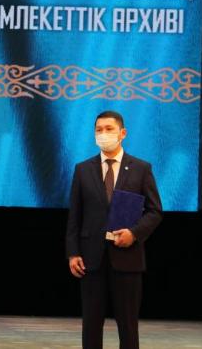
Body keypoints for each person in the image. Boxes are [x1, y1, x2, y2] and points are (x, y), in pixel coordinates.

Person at [66, 111, 164, 349]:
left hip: (127, 258)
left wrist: (134, 233)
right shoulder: (83, 169)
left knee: (128, 324)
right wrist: (73, 253)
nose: (103, 134)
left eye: (109, 129)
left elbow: (155, 211)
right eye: (98, 129)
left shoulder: (141, 168)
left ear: (123, 133)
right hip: (91, 259)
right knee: (91, 324)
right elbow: (75, 216)